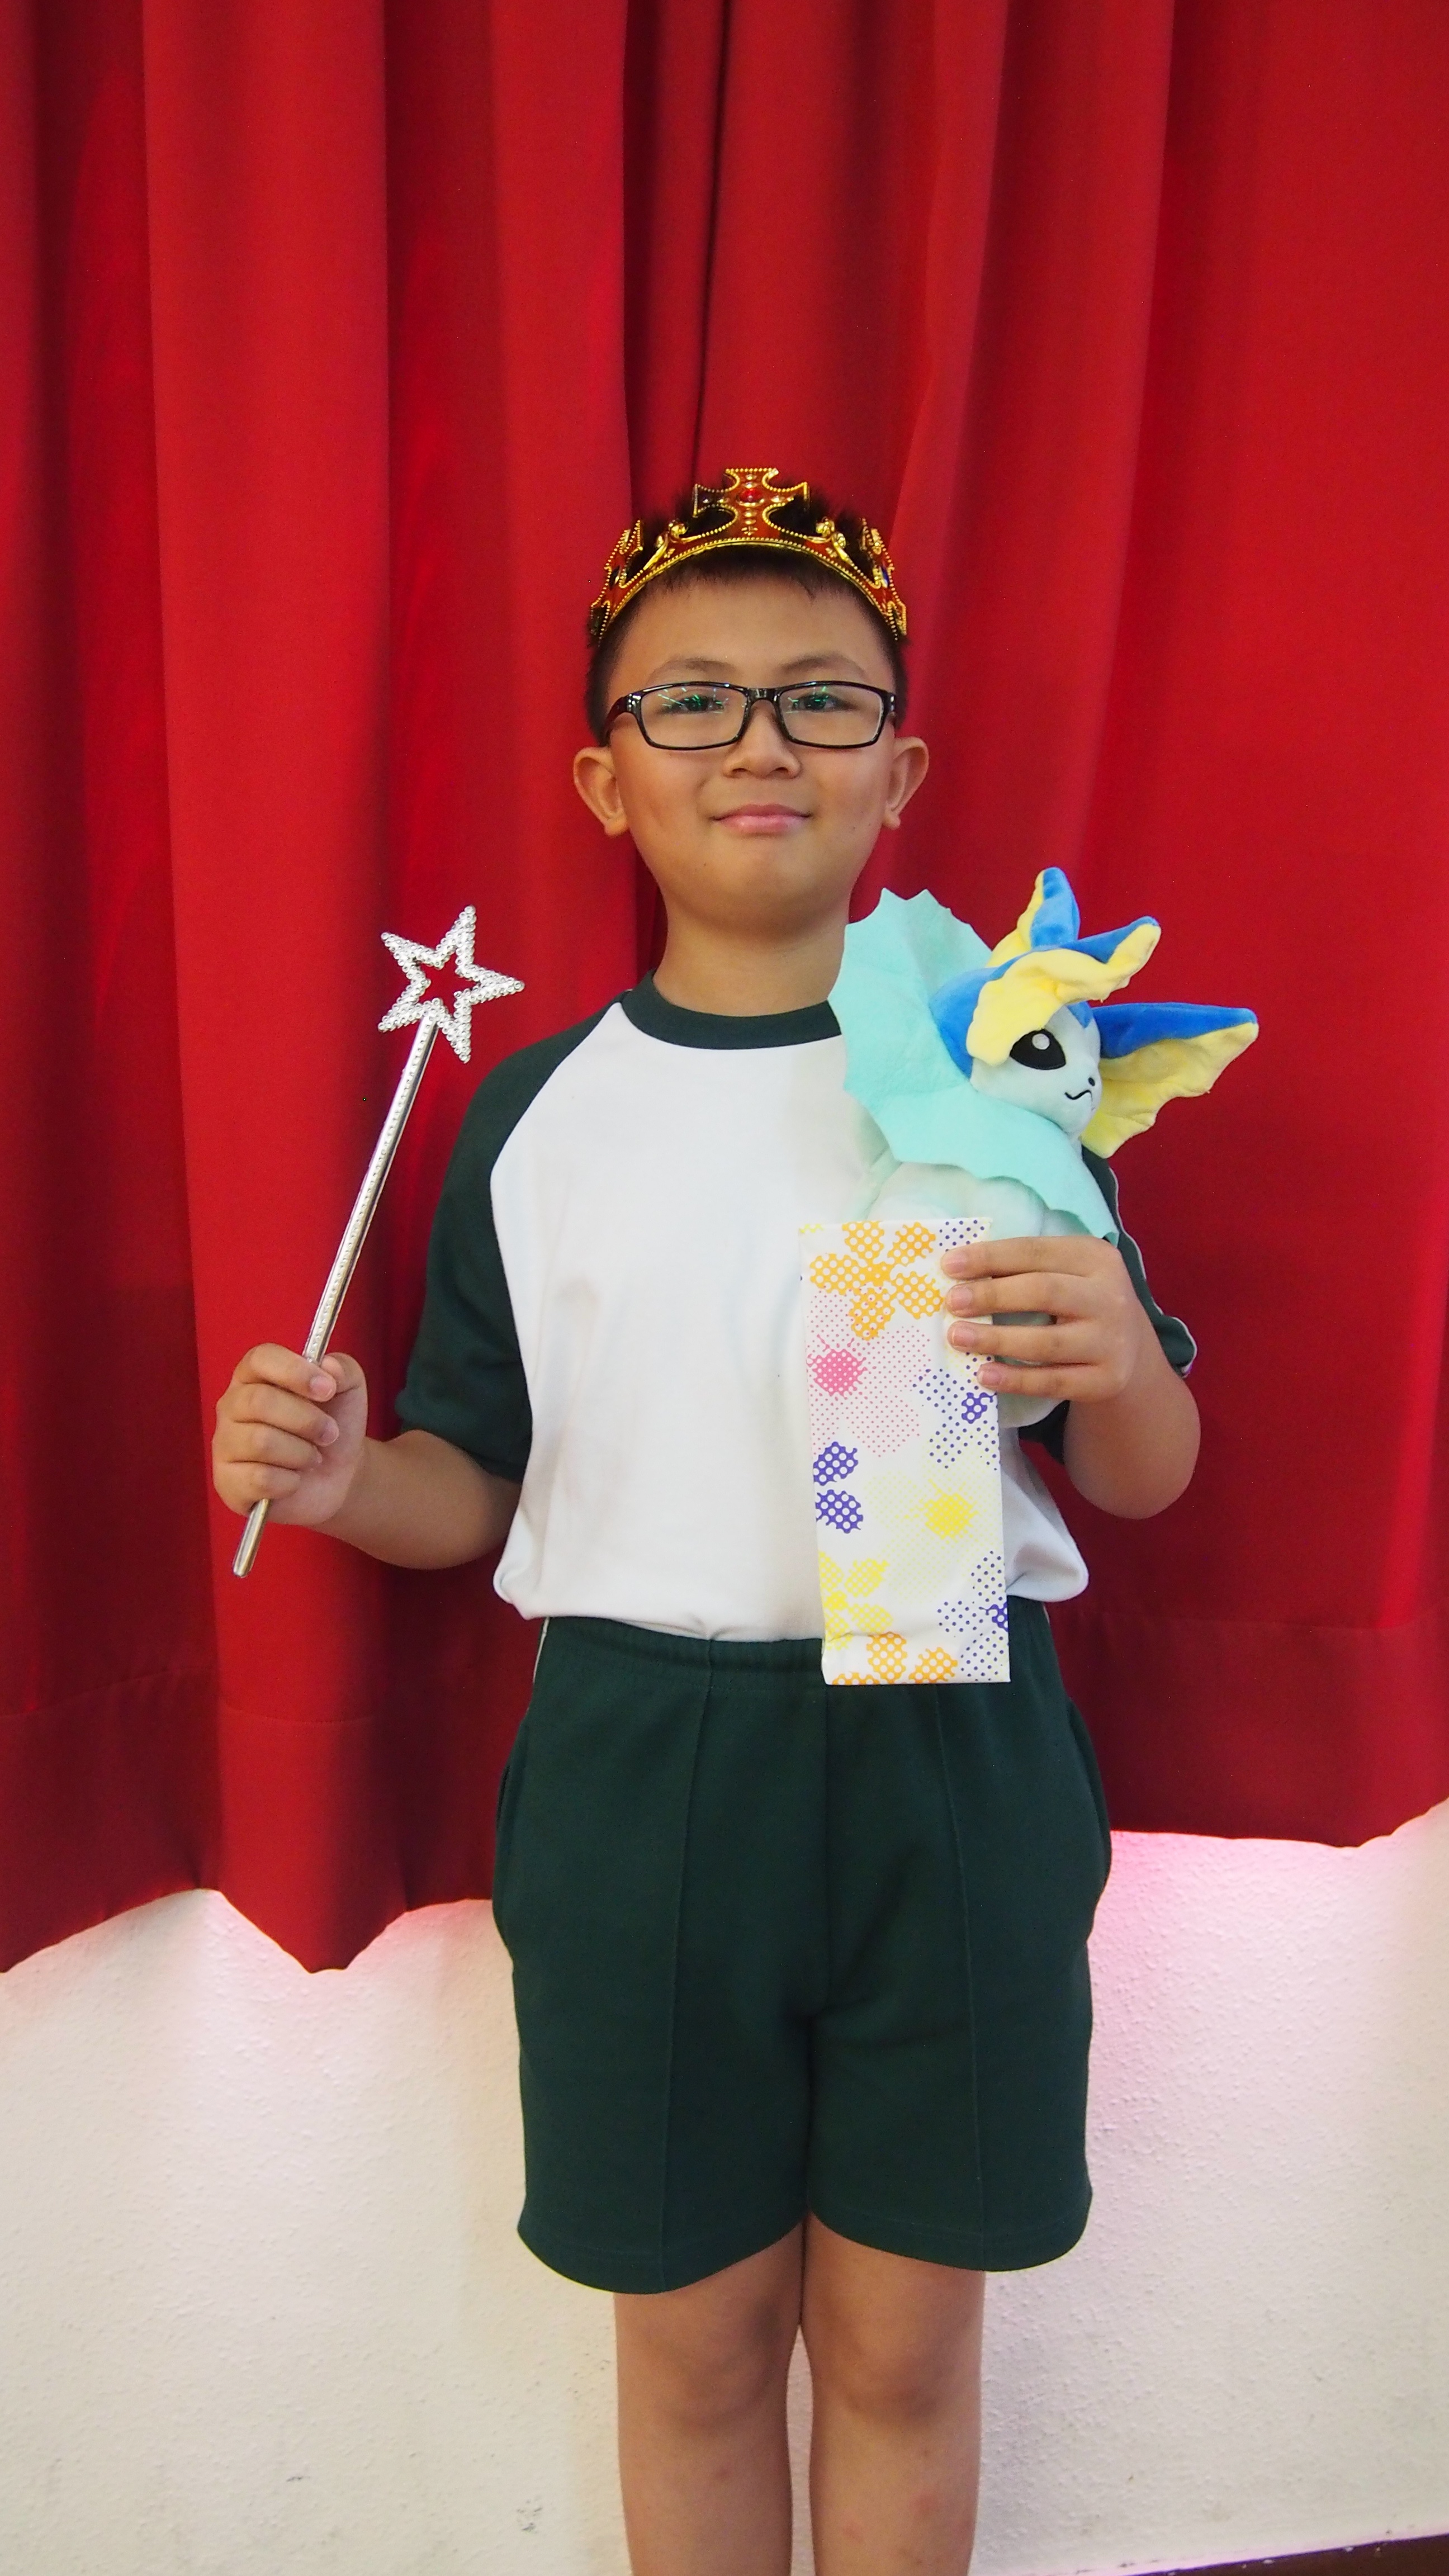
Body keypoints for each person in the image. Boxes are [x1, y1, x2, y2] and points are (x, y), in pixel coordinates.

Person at [212, 468, 1200, 2576]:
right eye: (692, 702)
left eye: (823, 699)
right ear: (606, 776)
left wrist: (1123, 1351)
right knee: (693, 2350)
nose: (761, 742)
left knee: (909, 2347)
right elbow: (472, 1486)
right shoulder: (531, 1114)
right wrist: (346, 1477)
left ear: (900, 769)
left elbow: (1141, 1468)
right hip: (643, 1769)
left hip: (954, 1754)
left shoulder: (1008, 1088)